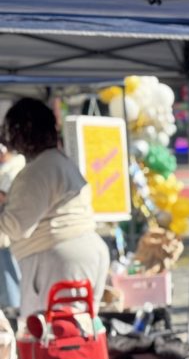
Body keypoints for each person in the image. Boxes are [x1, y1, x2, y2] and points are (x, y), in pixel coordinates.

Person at [0, 98, 109, 319]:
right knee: (78, 334)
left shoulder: (37, 170)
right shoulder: (60, 162)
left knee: (56, 338)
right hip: (83, 253)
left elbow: (16, 227)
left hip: (59, 259)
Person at [0, 143, 25, 312]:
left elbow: (3, 195)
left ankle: (13, 310)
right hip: (7, 231)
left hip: (9, 233)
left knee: (10, 275)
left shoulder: (15, 165)